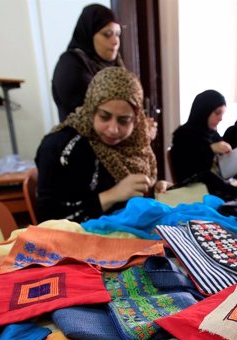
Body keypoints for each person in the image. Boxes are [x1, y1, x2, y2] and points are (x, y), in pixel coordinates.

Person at [36, 67, 171, 223]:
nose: (113, 129)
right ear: (92, 109)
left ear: (136, 120)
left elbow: (133, 198)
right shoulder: (60, 147)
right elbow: (48, 218)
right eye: (104, 117)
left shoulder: (134, 144)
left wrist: (155, 191)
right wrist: (111, 196)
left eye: (124, 120)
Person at [51, 4, 124, 123]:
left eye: (117, 34)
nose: (115, 41)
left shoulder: (116, 66)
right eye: (107, 34)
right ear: (89, 34)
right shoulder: (71, 65)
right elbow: (99, 114)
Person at [170, 90, 232, 184]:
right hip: (194, 189)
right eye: (217, 113)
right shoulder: (182, 135)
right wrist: (210, 149)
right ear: (204, 111)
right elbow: (185, 172)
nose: (221, 119)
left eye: (222, 114)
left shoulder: (212, 133)